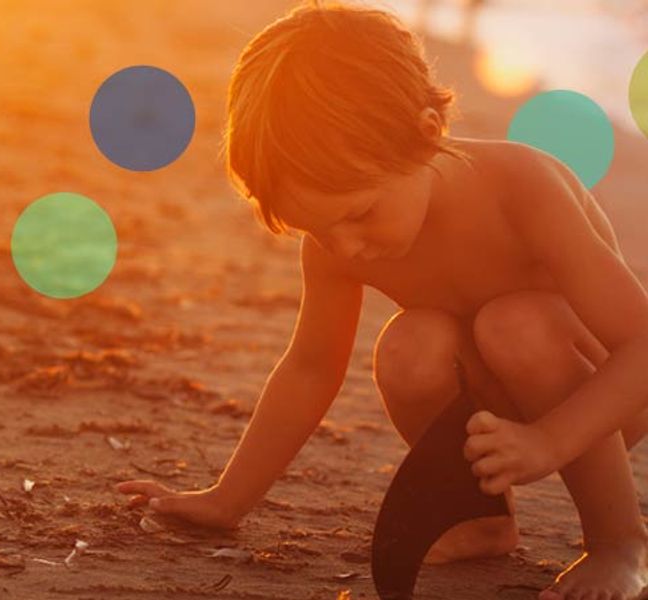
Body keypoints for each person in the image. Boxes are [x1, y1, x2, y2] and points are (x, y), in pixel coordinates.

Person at [115, 3, 648, 598]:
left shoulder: (522, 189)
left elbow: (640, 345)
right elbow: (311, 370)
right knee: (408, 344)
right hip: (497, 416)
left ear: (426, 135)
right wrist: (226, 500)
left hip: (603, 400)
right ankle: (480, 516)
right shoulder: (339, 240)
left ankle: (618, 542)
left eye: (359, 214)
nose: (345, 245)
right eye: (317, 230)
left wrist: (551, 439)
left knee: (513, 322)